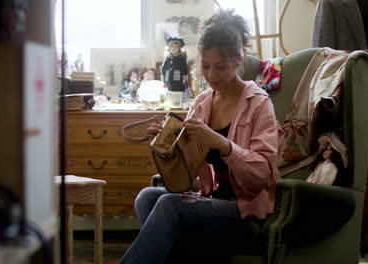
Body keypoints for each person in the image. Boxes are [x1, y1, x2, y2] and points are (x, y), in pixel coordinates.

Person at [120, 9, 284, 264]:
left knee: (169, 207)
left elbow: (263, 174)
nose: (211, 75)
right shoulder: (202, 103)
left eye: (220, 67)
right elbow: (185, 178)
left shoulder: (258, 103)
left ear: (239, 59)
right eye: (205, 67)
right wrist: (165, 145)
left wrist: (222, 144)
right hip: (210, 201)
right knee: (147, 197)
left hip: (245, 210)